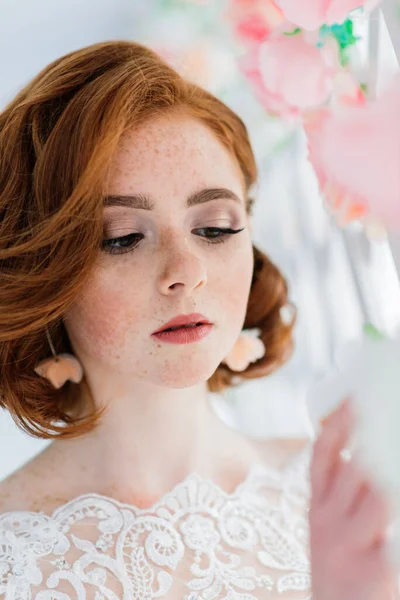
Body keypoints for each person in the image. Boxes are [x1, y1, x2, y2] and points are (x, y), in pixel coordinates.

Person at [0, 39, 397, 599]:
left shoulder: (348, 495)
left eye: (214, 228)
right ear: (44, 272)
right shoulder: (13, 561)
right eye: (123, 238)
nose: (185, 271)